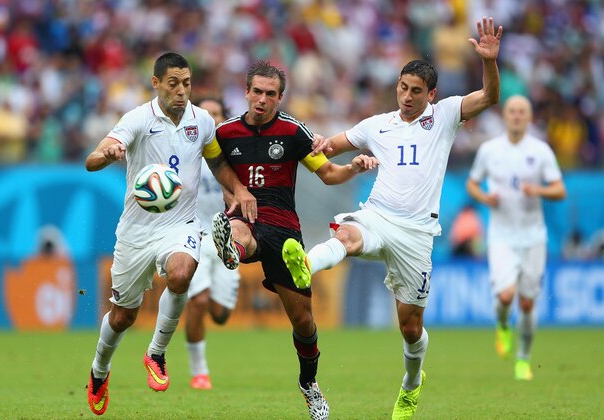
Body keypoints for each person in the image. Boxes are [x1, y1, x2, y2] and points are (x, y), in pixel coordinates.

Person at [281, 17, 503, 420]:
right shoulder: (377, 125)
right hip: (378, 215)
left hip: (417, 233)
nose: (406, 96)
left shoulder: (447, 115)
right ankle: (304, 266)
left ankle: (411, 386)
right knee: (348, 235)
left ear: (431, 94)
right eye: (402, 87)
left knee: (410, 328)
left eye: (416, 91)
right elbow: (330, 146)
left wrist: (488, 61)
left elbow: (489, 96)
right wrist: (314, 144)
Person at [84, 52, 256, 416]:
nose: (181, 91)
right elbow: (92, 159)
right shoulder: (137, 119)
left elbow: (218, 161)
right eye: (173, 83)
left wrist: (238, 189)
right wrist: (110, 152)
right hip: (136, 231)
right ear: (156, 83)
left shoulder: (202, 121)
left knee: (181, 273)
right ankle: (100, 371)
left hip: (181, 225)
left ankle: (157, 353)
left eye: (187, 83)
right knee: (122, 317)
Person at [210, 60, 378, 420]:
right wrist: (235, 192)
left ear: (280, 97)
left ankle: (309, 384)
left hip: (285, 230)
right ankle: (231, 249)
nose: (262, 100)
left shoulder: (293, 132)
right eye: (257, 92)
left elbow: (329, 173)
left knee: (303, 322)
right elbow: (213, 164)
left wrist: (353, 167)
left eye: (270, 94)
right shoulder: (224, 133)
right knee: (239, 229)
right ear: (246, 92)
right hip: (246, 217)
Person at [466, 94, 566, 380]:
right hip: (501, 236)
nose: (517, 115)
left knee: (527, 302)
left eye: (522, 111)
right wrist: (486, 198)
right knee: (506, 295)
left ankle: (523, 359)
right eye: (512, 111)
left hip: (533, 236)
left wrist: (539, 191)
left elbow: (560, 190)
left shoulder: (541, 150)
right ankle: (502, 325)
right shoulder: (489, 150)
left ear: (529, 116)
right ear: (505, 116)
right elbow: (472, 184)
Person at [184, 96, 239, 390]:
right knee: (199, 301)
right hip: (195, 235)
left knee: (219, 314)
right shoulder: (187, 152)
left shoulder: (234, 156)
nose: (211, 119)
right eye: (206, 114)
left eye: (216, 114)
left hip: (226, 238)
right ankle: (199, 372)